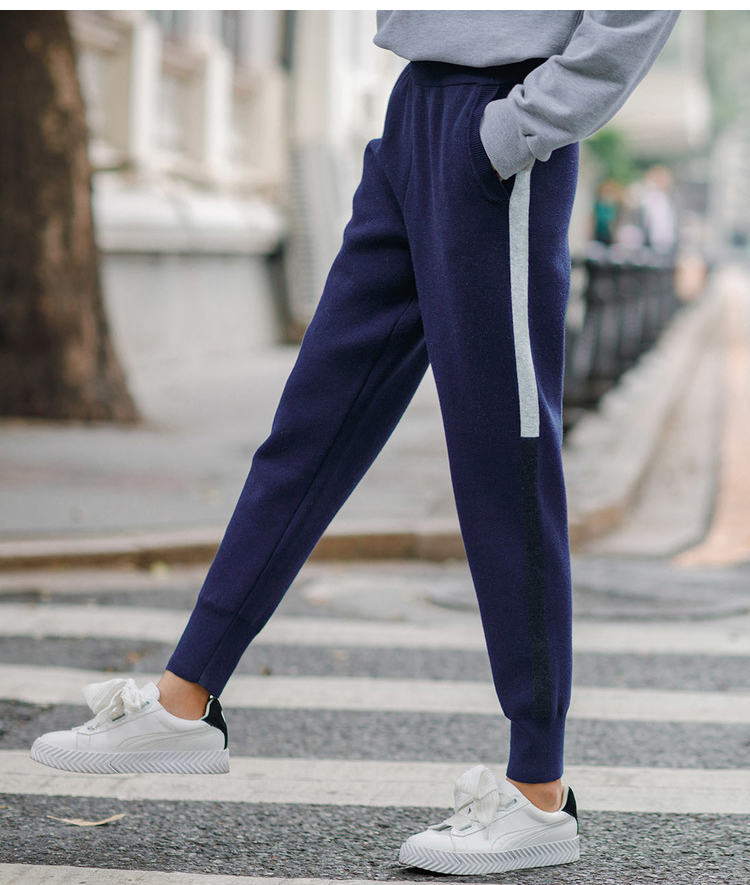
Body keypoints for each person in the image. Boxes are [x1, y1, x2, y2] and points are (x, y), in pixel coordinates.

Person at [30, 10, 680, 875]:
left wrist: (524, 126)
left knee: (504, 467)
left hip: (503, 122)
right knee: (313, 424)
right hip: (414, 114)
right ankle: (185, 698)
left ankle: (537, 791)